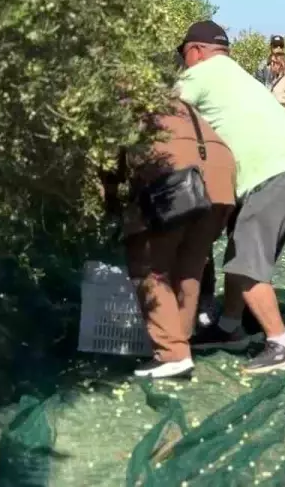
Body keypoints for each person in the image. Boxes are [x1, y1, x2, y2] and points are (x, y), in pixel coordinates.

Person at [176, 20, 285, 374]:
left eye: (184, 57)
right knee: (241, 252)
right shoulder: (241, 77)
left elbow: (164, 114)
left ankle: (282, 345)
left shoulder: (201, 73)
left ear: (194, 51)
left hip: (271, 177)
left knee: (246, 263)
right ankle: (230, 327)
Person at [99, 99, 236, 379]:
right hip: (222, 177)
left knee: (147, 264)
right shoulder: (181, 103)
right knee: (190, 265)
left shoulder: (126, 102)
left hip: (177, 176)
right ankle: (181, 344)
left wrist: (111, 202)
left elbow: (110, 162)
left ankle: (171, 352)